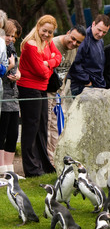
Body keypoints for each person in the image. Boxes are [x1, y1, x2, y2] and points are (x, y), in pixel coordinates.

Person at [17, 14, 62, 178]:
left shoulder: (48, 42)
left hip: (42, 89)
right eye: (44, 31)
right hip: (29, 89)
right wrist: (49, 64)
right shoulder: (30, 45)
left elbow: (59, 57)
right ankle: (31, 168)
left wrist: (48, 62)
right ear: (38, 27)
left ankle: (43, 164)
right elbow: (42, 73)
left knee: (43, 125)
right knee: (31, 127)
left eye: (50, 32)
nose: (47, 35)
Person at [47, 24, 86, 165]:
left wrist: (62, 90)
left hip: (59, 91)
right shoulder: (54, 44)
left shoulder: (73, 50)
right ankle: (46, 160)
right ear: (68, 32)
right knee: (47, 124)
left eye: (78, 42)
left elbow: (65, 71)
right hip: (47, 91)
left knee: (57, 126)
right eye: (73, 38)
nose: (74, 43)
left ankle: (54, 159)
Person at [67, 14, 110, 96]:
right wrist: (87, 82)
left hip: (98, 85)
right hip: (83, 86)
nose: (101, 34)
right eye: (99, 30)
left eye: (104, 32)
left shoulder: (100, 40)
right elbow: (74, 63)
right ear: (93, 24)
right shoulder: (83, 39)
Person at [0, 20, 21, 174]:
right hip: (3, 95)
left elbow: (17, 67)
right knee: (2, 131)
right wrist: (9, 67)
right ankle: (1, 168)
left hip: (13, 95)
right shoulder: (2, 49)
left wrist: (18, 73)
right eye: (8, 35)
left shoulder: (12, 49)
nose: (11, 39)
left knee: (13, 132)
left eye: (13, 36)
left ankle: (9, 169)